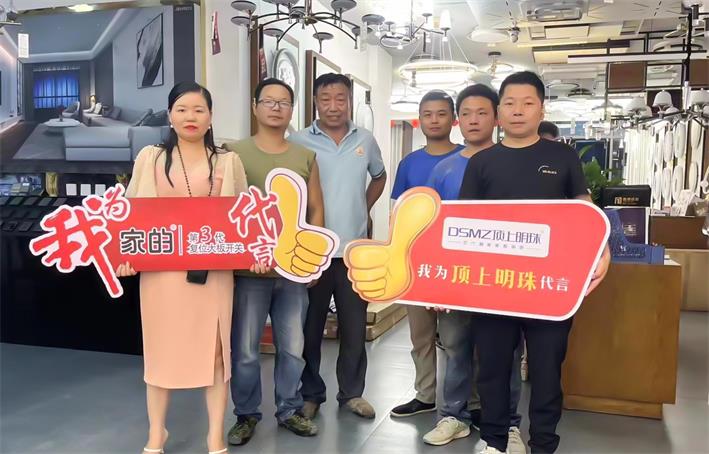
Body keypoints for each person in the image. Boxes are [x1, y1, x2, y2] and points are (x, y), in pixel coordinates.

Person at [459, 71, 611, 454]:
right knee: (492, 368)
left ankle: (543, 443)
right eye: (509, 103)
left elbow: (584, 210)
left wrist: (602, 248)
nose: (518, 111)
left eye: (527, 103)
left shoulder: (562, 157)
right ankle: (494, 441)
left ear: (541, 110)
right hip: (493, 285)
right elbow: (461, 225)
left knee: (546, 370)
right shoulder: (481, 163)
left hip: (549, 285)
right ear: (499, 111)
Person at [116, 81, 249, 454]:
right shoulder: (150, 158)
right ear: (170, 115)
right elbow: (131, 214)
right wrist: (126, 256)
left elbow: (243, 217)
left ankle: (215, 435)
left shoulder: (228, 161)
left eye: (199, 110)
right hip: (162, 274)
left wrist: (253, 250)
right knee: (160, 350)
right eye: (182, 109)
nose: (191, 116)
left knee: (216, 353)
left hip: (212, 272)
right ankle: (156, 432)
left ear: (211, 117)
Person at [421, 84, 524, 454]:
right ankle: (453, 415)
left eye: (482, 112)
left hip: (504, 278)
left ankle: (508, 425)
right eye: (466, 113)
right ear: (457, 120)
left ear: (496, 117)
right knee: (455, 347)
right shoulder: (444, 168)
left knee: (507, 353)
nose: (473, 120)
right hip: (456, 276)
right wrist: (435, 281)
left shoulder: (514, 162)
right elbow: (431, 226)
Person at [223, 78, 323, 445]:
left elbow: (316, 209)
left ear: (292, 110)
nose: (276, 107)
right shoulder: (233, 153)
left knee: (292, 347)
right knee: (246, 350)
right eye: (269, 101)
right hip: (248, 270)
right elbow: (223, 209)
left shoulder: (304, 156)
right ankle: (246, 414)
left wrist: (314, 261)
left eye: (284, 102)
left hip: (293, 269)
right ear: (255, 107)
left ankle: (289, 409)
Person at [289, 73, 387, 419]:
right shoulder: (298, 141)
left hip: (354, 252)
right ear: (315, 102)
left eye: (340, 98)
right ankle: (310, 393)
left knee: (354, 326)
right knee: (309, 327)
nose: (333, 106)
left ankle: (352, 394)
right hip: (312, 251)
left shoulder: (365, 140)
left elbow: (379, 176)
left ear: (349, 101)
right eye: (325, 98)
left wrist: (364, 206)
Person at [388, 90, 464, 419]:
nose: (434, 120)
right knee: (420, 333)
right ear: (419, 120)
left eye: (441, 113)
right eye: (428, 114)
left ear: (453, 119)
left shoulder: (468, 159)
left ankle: (465, 402)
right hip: (415, 259)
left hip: (455, 261)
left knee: (456, 336)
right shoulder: (409, 163)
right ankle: (425, 394)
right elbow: (397, 212)